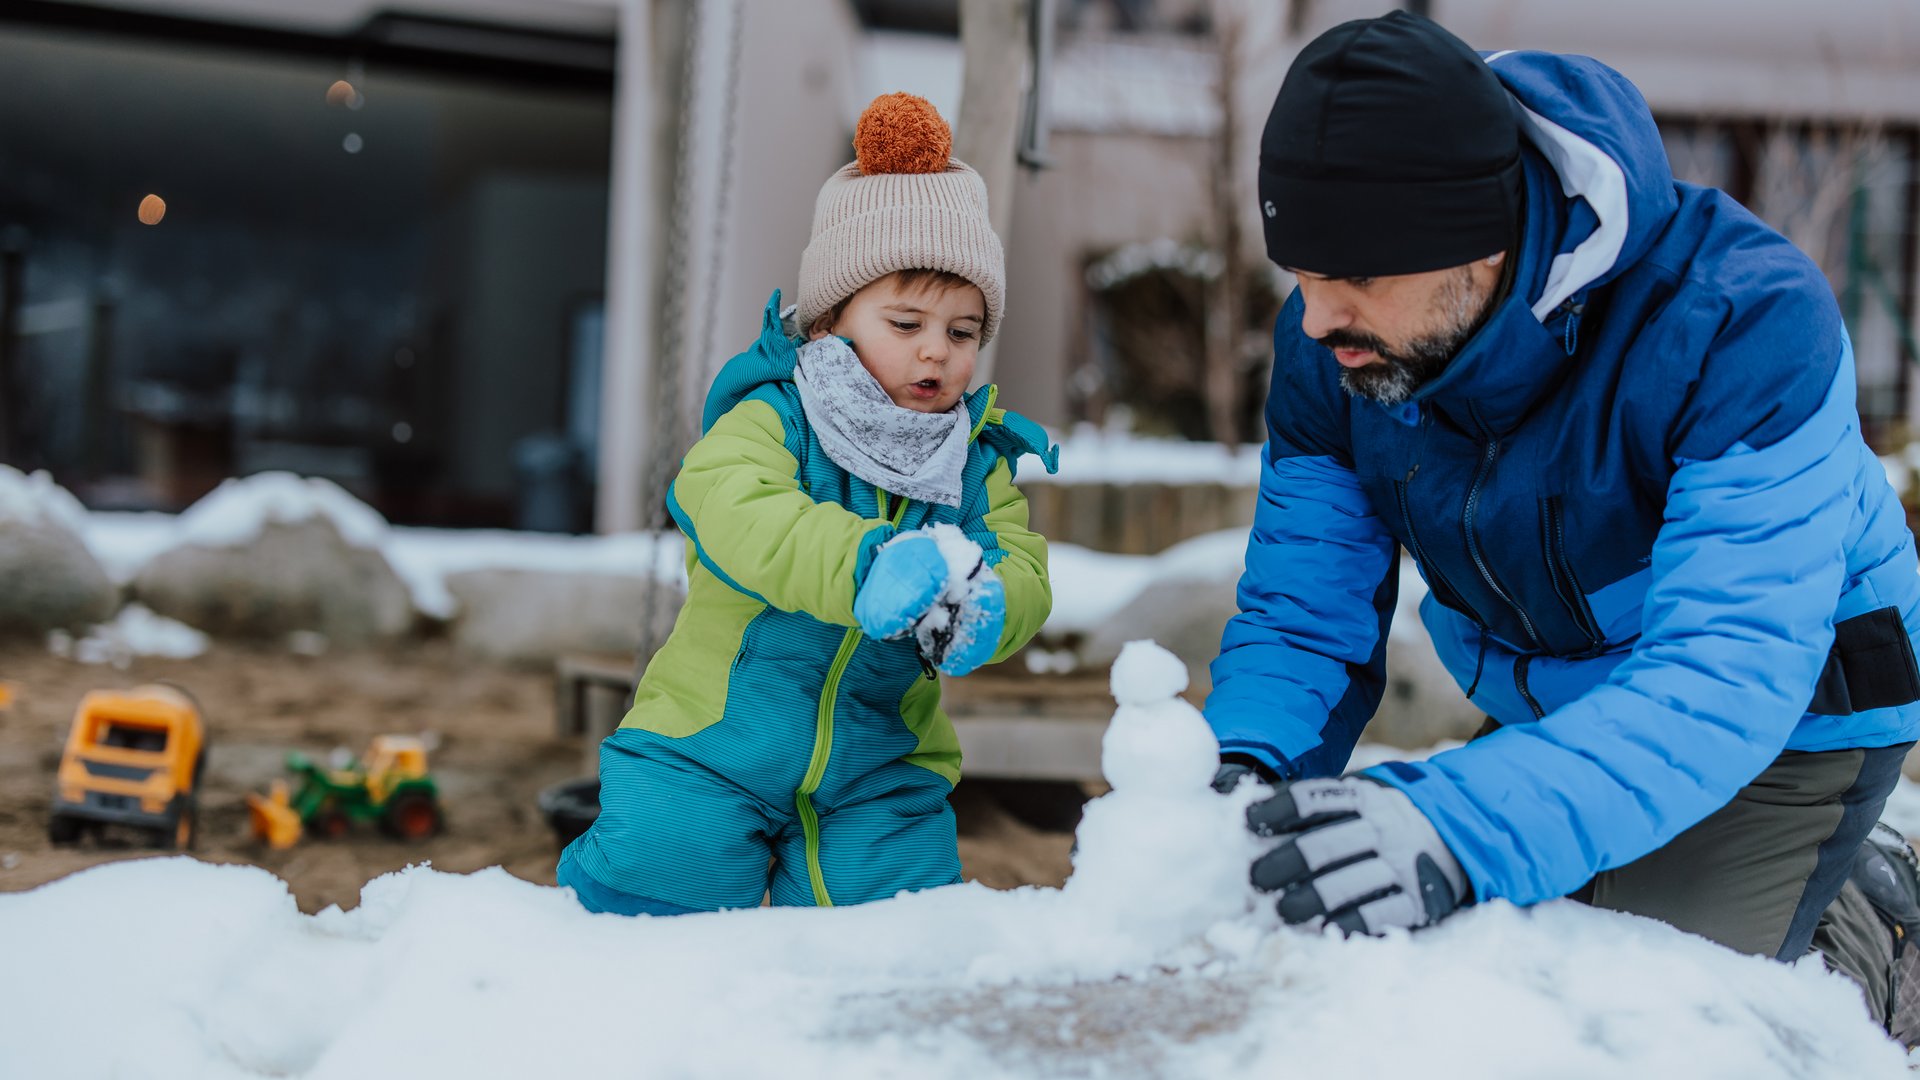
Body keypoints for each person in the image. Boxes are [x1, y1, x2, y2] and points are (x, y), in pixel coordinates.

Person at [1206, 10, 1920, 1038]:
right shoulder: (1338, 342)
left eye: (1355, 276)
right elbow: (1303, 618)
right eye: (1302, 274)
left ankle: (1869, 919)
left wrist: (1453, 823)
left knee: (1642, 1012)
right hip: (1572, 702)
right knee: (1448, 951)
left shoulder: (1741, 324)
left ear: (1480, 241)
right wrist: (1243, 772)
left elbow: (1721, 672)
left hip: (1791, 716)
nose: (1316, 320)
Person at [559, 93, 1056, 916]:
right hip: (712, 743)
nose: (937, 349)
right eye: (906, 321)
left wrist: (992, 607)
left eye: (964, 331)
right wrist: (866, 562)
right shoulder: (775, 416)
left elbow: (1019, 560)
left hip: (879, 769)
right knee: (651, 884)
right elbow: (734, 507)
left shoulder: (971, 463)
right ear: (830, 321)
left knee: (888, 941)